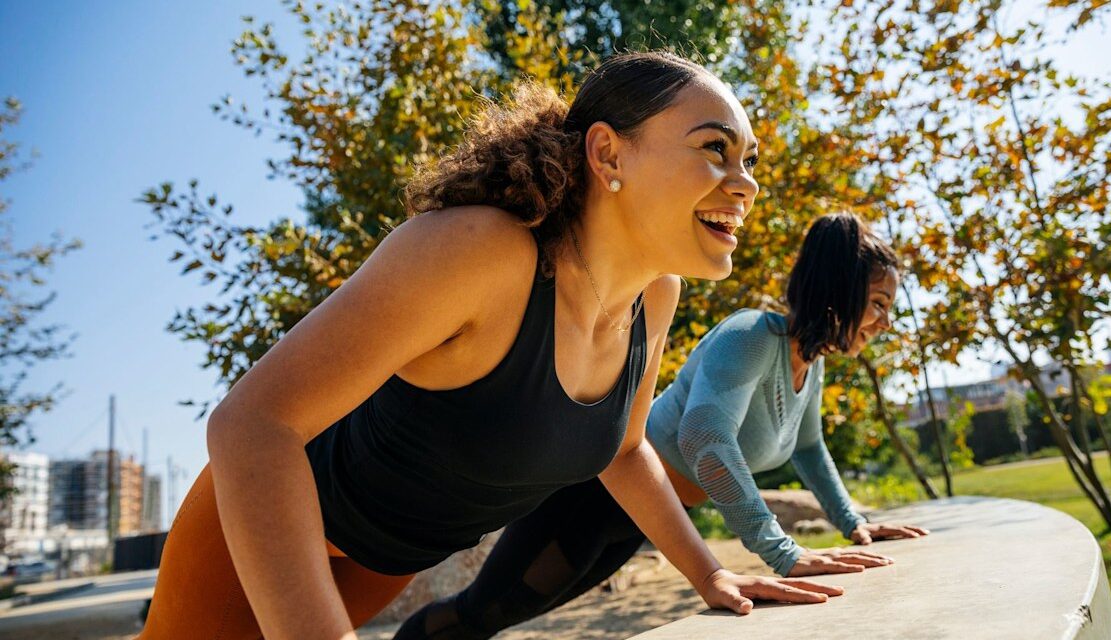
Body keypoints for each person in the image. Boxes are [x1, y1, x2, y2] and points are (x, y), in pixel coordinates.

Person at [137, 51, 844, 640]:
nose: (746, 183)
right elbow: (252, 424)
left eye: (749, 159)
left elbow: (627, 452)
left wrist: (710, 572)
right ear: (607, 153)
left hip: (387, 561)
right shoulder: (481, 252)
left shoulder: (654, 296)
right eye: (714, 149)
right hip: (258, 536)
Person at [398, 212, 930, 640]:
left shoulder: (807, 367)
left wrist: (853, 522)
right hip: (593, 499)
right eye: (878, 304)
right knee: (481, 614)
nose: (885, 322)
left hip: (643, 520)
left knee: (502, 618)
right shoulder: (750, 336)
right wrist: (782, 553)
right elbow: (705, 439)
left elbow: (810, 448)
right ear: (839, 291)